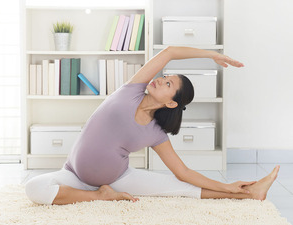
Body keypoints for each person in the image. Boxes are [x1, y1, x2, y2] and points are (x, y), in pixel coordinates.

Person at [25, 46, 279, 205]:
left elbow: (184, 173)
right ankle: (99, 197)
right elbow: (168, 52)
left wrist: (226, 185)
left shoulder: (155, 133)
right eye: (165, 77)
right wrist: (211, 54)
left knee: (181, 188)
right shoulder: (130, 90)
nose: (160, 80)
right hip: (74, 175)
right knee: (34, 187)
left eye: (168, 85)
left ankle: (250, 193)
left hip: (120, 178)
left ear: (171, 104)